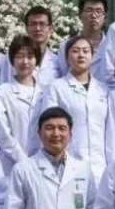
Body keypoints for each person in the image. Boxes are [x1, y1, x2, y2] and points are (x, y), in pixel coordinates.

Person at [38, 36, 110, 183]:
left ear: (92, 56)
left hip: (100, 165)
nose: (81, 55)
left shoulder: (103, 90)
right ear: (66, 57)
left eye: (86, 51)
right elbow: (49, 127)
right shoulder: (57, 88)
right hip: (68, 163)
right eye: (76, 51)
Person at [0, 35, 44, 174]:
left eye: (30, 56)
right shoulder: (3, 91)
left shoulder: (45, 92)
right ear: (12, 60)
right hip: (10, 165)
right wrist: (23, 161)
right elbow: (3, 133)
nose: (25, 61)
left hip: (41, 163)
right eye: (20, 56)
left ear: (36, 60)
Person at [58, 0, 109, 77]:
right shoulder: (65, 46)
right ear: (80, 15)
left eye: (98, 11)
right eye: (89, 10)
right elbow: (63, 77)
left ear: (105, 17)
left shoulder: (112, 46)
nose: (94, 15)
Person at [25, 6, 64, 83]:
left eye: (42, 24)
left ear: (50, 28)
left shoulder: (58, 62)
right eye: (33, 24)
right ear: (26, 28)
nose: (38, 28)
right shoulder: (14, 59)